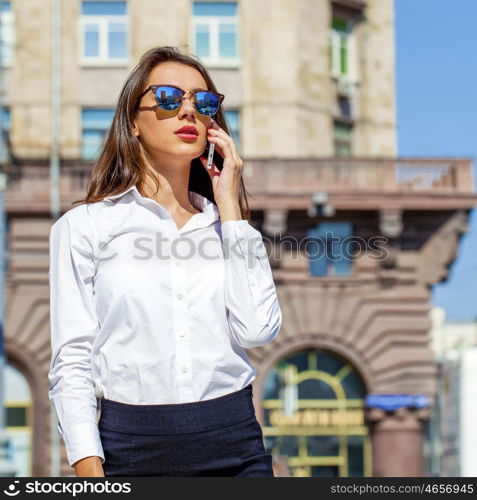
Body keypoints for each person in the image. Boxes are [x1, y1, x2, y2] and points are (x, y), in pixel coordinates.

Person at [48, 45, 282, 477]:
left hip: (235, 445)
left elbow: (257, 329)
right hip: (131, 450)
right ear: (133, 122)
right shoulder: (83, 227)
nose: (189, 112)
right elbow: (72, 359)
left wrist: (229, 203)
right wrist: (88, 468)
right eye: (171, 99)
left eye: (203, 102)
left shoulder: (228, 228)